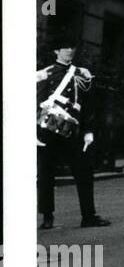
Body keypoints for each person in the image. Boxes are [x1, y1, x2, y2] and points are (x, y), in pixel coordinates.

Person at [36, 23, 110, 230]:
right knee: (46, 173)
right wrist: (35, 132)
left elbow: (88, 106)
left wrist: (88, 130)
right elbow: (36, 102)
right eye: (65, 47)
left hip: (73, 130)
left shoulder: (82, 74)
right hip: (48, 130)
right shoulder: (44, 74)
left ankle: (89, 215)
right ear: (56, 51)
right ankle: (47, 216)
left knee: (84, 171)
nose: (70, 50)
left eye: (71, 47)